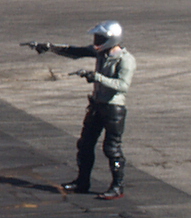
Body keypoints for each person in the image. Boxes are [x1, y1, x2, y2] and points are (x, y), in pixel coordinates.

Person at [30, 22, 135, 200]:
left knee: (112, 148)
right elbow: (76, 52)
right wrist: (50, 47)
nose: (96, 41)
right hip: (96, 105)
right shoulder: (101, 52)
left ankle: (117, 186)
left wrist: (97, 77)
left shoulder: (126, 60)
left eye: (100, 38)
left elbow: (123, 85)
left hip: (113, 108)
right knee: (85, 144)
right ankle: (82, 181)